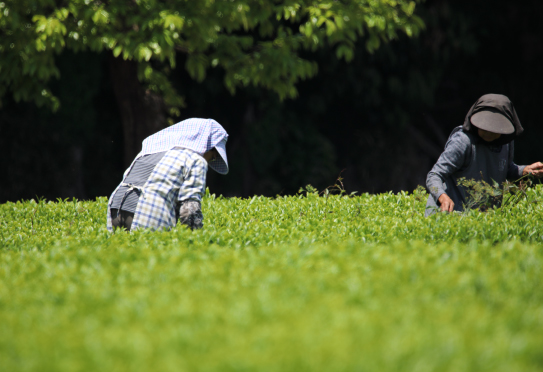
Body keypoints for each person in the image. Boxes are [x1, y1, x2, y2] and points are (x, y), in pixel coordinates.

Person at [425, 94, 543, 216]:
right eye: (485, 128)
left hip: (480, 219)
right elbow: (434, 175)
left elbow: (505, 169)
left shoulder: (505, 142)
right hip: (448, 216)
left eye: (494, 130)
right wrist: (443, 197)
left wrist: (524, 170)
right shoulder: (463, 141)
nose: (489, 133)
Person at [107, 118, 229, 231]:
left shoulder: (153, 149)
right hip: (147, 210)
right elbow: (190, 209)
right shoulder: (196, 159)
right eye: (213, 156)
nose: (212, 159)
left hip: (116, 206)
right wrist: (196, 242)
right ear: (207, 146)